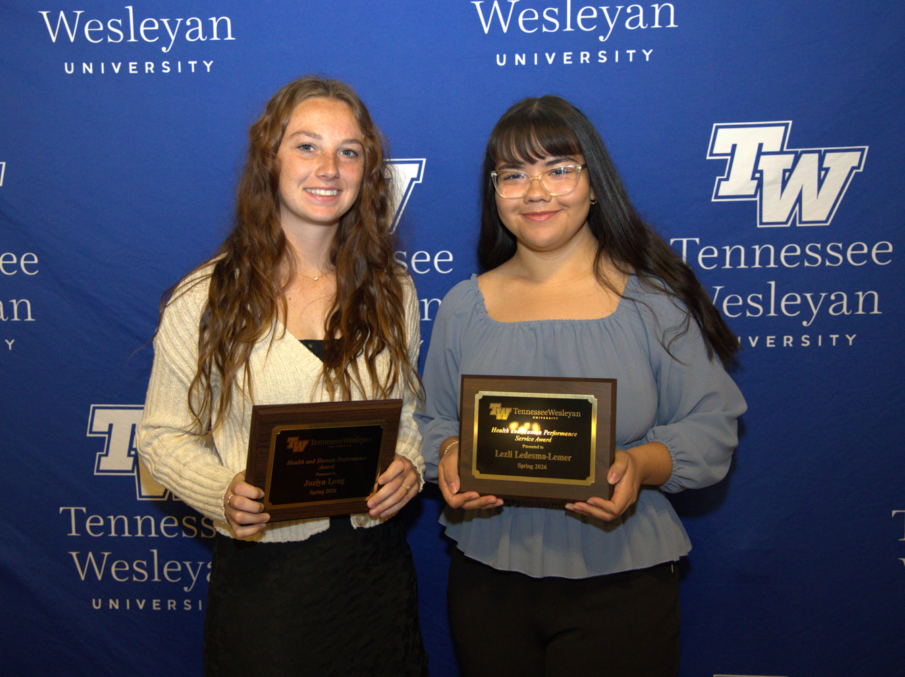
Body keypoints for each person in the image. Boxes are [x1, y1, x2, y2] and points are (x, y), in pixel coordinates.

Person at [416, 95, 747, 677]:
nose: (536, 191)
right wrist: (446, 452)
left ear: (595, 184)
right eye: (513, 174)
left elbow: (710, 427)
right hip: (487, 581)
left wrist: (638, 464)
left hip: (622, 579)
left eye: (559, 168)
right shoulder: (464, 306)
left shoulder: (654, 302)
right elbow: (431, 421)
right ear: (495, 194)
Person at [137, 76, 428, 677]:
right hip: (266, 584)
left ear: (367, 171)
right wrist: (220, 492)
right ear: (269, 159)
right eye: (307, 146)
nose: (329, 167)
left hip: (375, 575)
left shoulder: (394, 291)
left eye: (349, 151)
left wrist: (408, 464)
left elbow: (404, 419)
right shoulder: (206, 298)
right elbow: (161, 436)